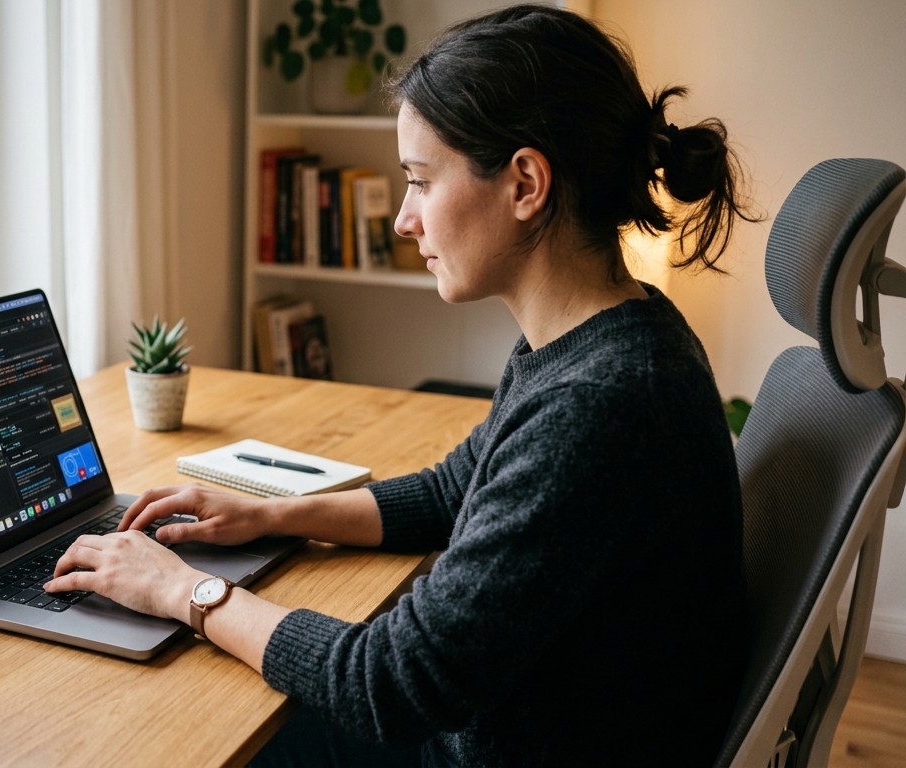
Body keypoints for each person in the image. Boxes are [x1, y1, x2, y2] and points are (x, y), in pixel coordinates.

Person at [45, 6, 755, 766]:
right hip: (524, 727)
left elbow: (394, 681)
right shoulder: (609, 339)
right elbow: (458, 491)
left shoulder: (602, 403)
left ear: (525, 183)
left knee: (190, 733)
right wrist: (269, 515)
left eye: (419, 181)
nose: (404, 221)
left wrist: (185, 592)